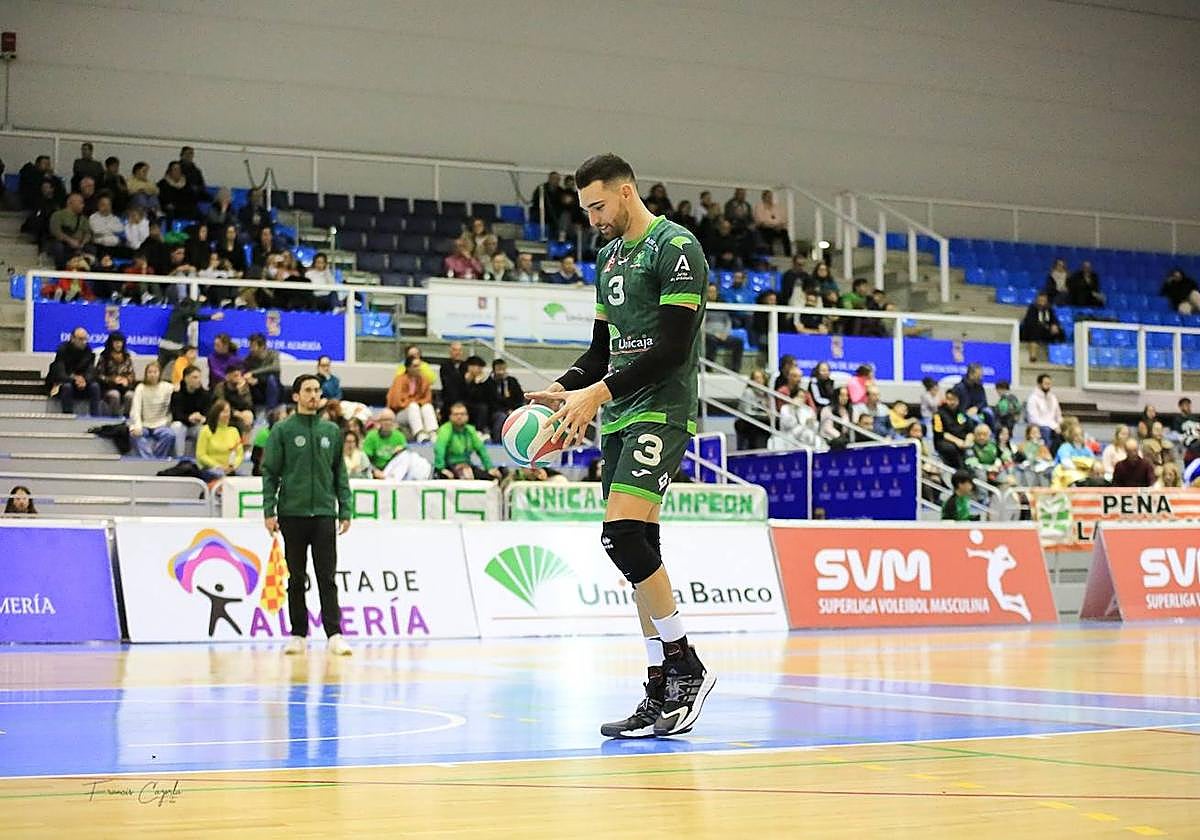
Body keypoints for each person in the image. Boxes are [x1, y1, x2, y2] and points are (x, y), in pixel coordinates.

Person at [523, 154, 715, 740]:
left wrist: (596, 395)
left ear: (626, 193)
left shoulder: (675, 247)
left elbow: (672, 348)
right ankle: (660, 685)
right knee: (639, 547)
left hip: (662, 406)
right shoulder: (607, 257)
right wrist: (565, 389)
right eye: (585, 209)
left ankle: (685, 662)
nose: (592, 219)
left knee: (621, 534)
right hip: (620, 414)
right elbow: (603, 348)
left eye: (598, 206)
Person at [262, 374, 353, 656]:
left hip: (325, 512)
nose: (314, 394)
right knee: (296, 577)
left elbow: (340, 473)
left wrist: (345, 508)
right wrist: (269, 510)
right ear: (296, 396)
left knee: (327, 576)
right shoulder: (283, 431)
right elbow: (270, 473)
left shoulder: (331, 431)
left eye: (317, 390)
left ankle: (334, 634)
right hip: (292, 513)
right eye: (308, 390)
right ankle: (298, 634)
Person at [433, 402, 499, 480]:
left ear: (467, 416)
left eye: (462, 414)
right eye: (456, 414)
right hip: (448, 466)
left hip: (466, 465)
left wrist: (489, 468)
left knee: (492, 477)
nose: (459, 417)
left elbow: (481, 450)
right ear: (450, 416)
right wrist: (441, 468)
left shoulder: (470, 430)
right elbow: (439, 449)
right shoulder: (445, 429)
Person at [47, 327, 102, 415]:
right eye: (80, 339)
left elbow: (91, 372)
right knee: (67, 387)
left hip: (82, 385)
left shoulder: (89, 352)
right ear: (72, 339)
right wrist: (75, 379)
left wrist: (85, 380)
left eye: (85, 339)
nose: (84, 342)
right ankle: (68, 416)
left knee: (95, 386)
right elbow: (60, 374)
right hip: (66, 383)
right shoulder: (62, 351)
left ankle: (95, 417)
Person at [158, 298, 223, 371]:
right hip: (174, 346)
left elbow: (194, 317)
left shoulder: (177, 313)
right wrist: (211, 316)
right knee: (182, 369)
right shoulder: (181, 312)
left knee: (161, 368)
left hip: (165, 344)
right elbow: (194, 315)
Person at [128, 361, 176, 459]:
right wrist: (137, 426)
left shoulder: (167, 387)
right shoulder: (140, 387)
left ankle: (157, 459)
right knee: (134, 434)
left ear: (159, 373)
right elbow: (135, 409)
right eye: (150, 372)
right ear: (146, 374)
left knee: (170, 435)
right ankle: (148, 459)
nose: (152, 375)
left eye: (155, 372)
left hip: (161, 424)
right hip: (144, 424)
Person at [386, 358, 439, 442]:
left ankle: (433, 433)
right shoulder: (399, 380)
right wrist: (412, 402)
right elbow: (396, 401)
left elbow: (428, 399)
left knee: (427, 407)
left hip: (419, 409)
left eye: (419, 366)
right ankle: (420, 434)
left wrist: (417, 403)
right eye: (415, 366)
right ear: (408, 368)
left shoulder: (424, 380)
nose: (418, 368)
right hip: (401, 413)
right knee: (413, 406)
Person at [196, 400, 246, 481]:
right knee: (220, 475)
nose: (227, 414)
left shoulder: (234, 431)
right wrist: (218, 466)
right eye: (224, 412)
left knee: (244, 478)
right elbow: (201, 455)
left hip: (230, 469)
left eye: (228, 411)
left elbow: (239, 454)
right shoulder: (205, 430)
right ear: (216, 413)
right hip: (211, 469)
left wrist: (233, 466)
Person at [170, 365, 211, 457]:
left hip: (197, 425)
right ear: (186, 378)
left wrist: (202, 418)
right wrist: (189, 418)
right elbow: (176, 414)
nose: (198, 380)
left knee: (204, 429)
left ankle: (199, 459)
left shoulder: (205, 394)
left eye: (199, 377)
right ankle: (179, 458)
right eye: (195, 377)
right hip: (183, 424)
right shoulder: (177, 394)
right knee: (177, 426)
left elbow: (209, 413)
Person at [703, 284, 743, 371]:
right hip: (709, 335)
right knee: (711, 341)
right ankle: (708, 368)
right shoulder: (703, 306)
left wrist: (725, 333)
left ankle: (735, 369)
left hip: (723, 335)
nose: (712, 294)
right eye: (710, 292)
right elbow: (702, 325)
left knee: (738, 342)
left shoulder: (722, 306)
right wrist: (714, 334)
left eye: (714, 292)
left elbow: (728, 321)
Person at [47, 192, 92, 269]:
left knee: (91, 249)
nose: (83, 205)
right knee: (58, 247)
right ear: (70, 202)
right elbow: (55, 231)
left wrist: (83, 243)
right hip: (63, 243)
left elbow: (88, 233)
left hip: (79, 244)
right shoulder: (58, 215)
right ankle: (61, 270)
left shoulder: (83, 219)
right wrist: (70, 240)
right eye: (80, 202)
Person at [96, 331, 136, 417]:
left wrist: (127, 380)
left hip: (124, 388)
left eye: (120, 342)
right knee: (115, 395)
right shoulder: (104, 356)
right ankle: (114, 419)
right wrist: (113, 380)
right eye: (116, 342)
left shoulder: (126, 356)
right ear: (111, 343)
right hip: (108, 388)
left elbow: (131, 374)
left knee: (130, 396)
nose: (118, 344)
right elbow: (99, 375)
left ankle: (127, 419)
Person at [361, 409, 409, 478]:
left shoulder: (399, 436)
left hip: (394, 470)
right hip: (376, 471)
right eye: (385, 420)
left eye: (390, 420)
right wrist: (374, 470)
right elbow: (366, 459)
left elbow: (404, 458)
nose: (388, 423)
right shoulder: (372, 436)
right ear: (379, 422)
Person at [487, 359, 525, 443]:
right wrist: (506, 410)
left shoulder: (512, 381)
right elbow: (491, 402)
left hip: (512, 409)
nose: (501, 372)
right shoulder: (489, 383)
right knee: (501, 417)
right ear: (494, 370)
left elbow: (519, 397)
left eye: (503, 369)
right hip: (496, 411)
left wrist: (513, 409)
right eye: (499, 369)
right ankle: (498, 441)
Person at [933, 389, 972, 469]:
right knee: (951, 449)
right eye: (949, 399)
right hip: (945, 442)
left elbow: (970, 430)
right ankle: (960, 470)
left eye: (954, 399)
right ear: (946, 400)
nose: (952, 402)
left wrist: (967, 442)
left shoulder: (961, 413)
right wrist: (957, 441)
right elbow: (940, 433)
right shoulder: (938, 414)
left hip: (963, 442)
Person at [1019, 292, 1063, 362]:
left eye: (1044, 301)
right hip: (1033, 330)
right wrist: (1044, 326)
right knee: (1034, 331)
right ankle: (1033, 356)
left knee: (1060, 331)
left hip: (1046, 330)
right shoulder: (1032, 308)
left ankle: (1059, 353)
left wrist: (1054, 325)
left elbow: (1054, 319)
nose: (1042, 303)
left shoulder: (1049, 309)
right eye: (1040, 301)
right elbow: (1030, 322)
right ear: (1037, 300)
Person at [951, 363, 995, 431]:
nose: (981, 378)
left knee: (989, 412)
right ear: (971, 375)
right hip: (960, 416)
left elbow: (984, 402)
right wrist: (966, 412)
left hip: (977, 413)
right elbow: (954, 406)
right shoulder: (958, 388)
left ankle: (992, 436)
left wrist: (976, 408)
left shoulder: (979, 387)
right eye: (979, 376)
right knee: (975, 420)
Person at [244, 333, 282, 411]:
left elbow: (275, 368)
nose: (251, 349)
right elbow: (245, 373)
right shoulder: (249, 358)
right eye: (250, 346)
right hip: (258, 387)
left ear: (262, 347)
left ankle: (270, 411)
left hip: (274, 386)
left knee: (271, 378)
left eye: (253, 346)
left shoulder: (273, 354)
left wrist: (253, 373)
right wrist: (250, 378)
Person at [735, 369, 772, 450]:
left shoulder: (767, 394)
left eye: (760, 378)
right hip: (746, 422)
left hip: (761, 422)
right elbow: (747, 412)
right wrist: (765, 415)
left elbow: (772, 411)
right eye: (756, 378)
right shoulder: (748, 392)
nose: (758, 381)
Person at [214, 364, 256, 434]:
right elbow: (221, 405)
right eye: (235, 376)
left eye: (239, 375)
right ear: (227, 377)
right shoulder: (220, 387)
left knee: (248, 417)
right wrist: (237, 413)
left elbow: (249, 405)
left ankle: (245, 443)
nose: (238, 378)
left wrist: (241, 392)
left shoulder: (243, 386)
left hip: (241, 415)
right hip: (225, 414)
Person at [1026, 374, 1062, 447]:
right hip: (1040, 426)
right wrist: (1053, 426)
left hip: (1054, 425)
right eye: (1046, 383)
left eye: (1049, 384)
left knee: (1067, 428)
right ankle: (1047, 452)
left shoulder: (1053, 397)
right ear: (1039, 384)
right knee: (1046, 430)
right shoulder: (1033, 398)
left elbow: (1058, 414)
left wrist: (1059, 424)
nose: (1048, 386)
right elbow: (1034, 419)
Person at [752, 189, 790, 255]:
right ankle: (770, 254)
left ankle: (788, 254)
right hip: (765, 228)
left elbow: (783, 219)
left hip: (777, 227)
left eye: (771, 197)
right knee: (768, 233)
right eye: (768, 197)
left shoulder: (776, 207)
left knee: (784, 233)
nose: (770, 198)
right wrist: (771, 226)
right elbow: (760, 220)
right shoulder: (759, 207)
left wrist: (779, 226)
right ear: (763, 198)